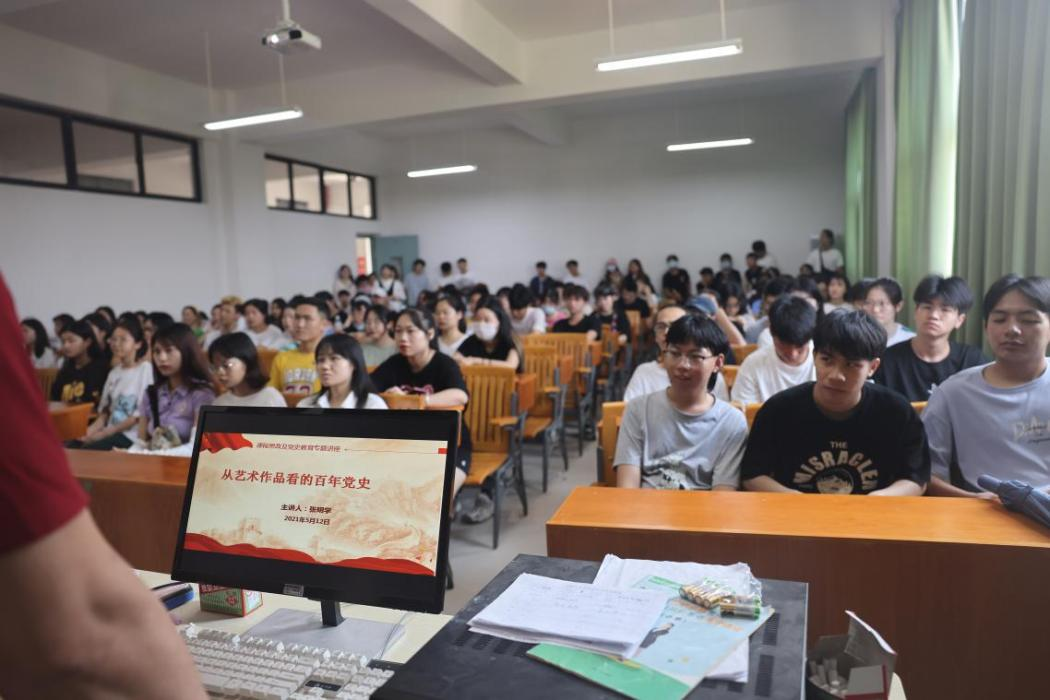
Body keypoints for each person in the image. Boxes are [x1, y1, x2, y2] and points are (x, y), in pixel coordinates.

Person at [0, 275, 207, 699]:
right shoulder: (149, 390)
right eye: (158, 350)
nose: (162, 357)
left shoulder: (199, 393)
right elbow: (89, 637)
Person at [741, 310, 929, 495]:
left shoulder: (896, 412)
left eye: (852, 365)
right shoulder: (779, 410)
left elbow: (916, 479)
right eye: (827, 360)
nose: (836, 375)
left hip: (872, 512)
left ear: (872, 367)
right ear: (814, 356)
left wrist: (877, 500)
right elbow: (752, 475)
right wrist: (794, 500)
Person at [923, 275, 1050, 496]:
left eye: (1028, 320)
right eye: (999, 320)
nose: (1012, 329)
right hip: (982, 510)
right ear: (986, 327)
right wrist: (974, 500)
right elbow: (924, 473)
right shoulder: (954, 393)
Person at [614, 314, 748, 490]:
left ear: (718, 362)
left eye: (695, 356)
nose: (683, 365)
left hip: (705, 507)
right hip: (645, 505)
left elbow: (722, 496)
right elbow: (627, 489)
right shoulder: (638, 410)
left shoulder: (731, 422)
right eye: (675, 353)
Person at [370, 308, 473, 499]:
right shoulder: (394, 363)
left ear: (430, 334)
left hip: (450, 445)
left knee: (437, 500)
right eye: (398, 331)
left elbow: (460, 396)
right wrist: (387, 396)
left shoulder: (444, 364)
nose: (403, 337)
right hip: (407, 445)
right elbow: (366, 390)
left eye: (410, 331)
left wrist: (417, 401)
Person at [873, 275, 986, 402]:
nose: (934, 315)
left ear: (959, 320)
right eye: (927, 307)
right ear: (916, 311)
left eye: (945, 309)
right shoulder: (887, 361)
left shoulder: (972, 361)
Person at [72, 317, 154, 450]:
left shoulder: (145, 369)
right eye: (114, 339)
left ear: (138, 344)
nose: (116, 344)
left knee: (88, 450)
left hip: (130, 435)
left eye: (123, 339)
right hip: (110, 431)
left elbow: (139, 415)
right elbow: (105, 413)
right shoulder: (114, 373)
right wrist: (89, 432)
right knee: (71, 445)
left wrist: (104, 433)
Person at [624, 305, 731, 402]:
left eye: (675, 326)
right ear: (655, 336)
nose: (667, 332)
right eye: (661, 327)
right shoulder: (644, 372)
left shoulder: (708, 372)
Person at [138, 323, 216, 449]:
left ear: (186, 351)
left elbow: (196, 446)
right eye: (157, 352)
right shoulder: (151, 393)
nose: (162, 358)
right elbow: (141, 442)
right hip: (153, 458)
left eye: (169, 350)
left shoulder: (202, 394)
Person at [732, 296, 817, 404]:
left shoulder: (823, 363)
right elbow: (743, 411)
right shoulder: (753, 365)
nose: (793, 354)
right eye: (784, 346)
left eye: (800, 348)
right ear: (771, 332)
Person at [298, 335, 387, 409]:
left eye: (334, 358)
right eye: (321, 360)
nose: (325, 366)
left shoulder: (372, 405)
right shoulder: (306, 405)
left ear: (354, 363)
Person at [268, 296, 329, 394]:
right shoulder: (282, 358)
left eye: (307, 319)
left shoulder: (332, 361)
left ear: (324, 324)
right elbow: (271, 396)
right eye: (297, 317)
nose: (300, 324)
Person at [209, 333, 286, 408]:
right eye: (215, 367)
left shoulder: (270, 398)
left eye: (226, 365)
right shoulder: (219, 403)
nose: (220, 372)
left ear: (246, 361)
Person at [51, 319, 109, 405]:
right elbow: (55, 397)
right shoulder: (66, 369)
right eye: (63, 342)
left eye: (71, 341)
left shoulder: (101, 368)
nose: (66, 346)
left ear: (87, 342)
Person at [456, 298, 522, 371]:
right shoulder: (471, 340)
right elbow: (456, 358)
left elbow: (510, 366)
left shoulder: (509, 340)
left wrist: (476, 361)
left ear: (499, 321)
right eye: (477, 319)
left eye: (486, 320)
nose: (481, 324)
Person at [862, 277, 915, 347]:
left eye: (882, 304)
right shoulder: (857, 336)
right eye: (869, 302)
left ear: (898, 306)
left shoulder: (910, 339)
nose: (875, 309)